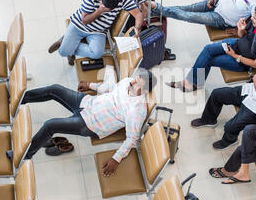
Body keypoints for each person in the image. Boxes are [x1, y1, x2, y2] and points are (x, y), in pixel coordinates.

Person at [13, 69, 157, 177]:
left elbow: (132, 138)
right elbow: (109, 89)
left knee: (50, 125)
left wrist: (116, 158)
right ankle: (17, 100)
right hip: (87, 102)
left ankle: (23, 155)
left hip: (90, 123)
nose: (133, 81)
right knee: (54, 89)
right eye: (136, 77)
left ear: (143, 90)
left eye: (138, 81)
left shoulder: (137, 110)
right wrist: (90, 85)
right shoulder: (127, 82)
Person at [167, 5, 256, 92]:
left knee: (208, 60)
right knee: (207, 50)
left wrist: (235, 56)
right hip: (235, 44)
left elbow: (255, 64)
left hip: (240, 61)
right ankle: (192, 83)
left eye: (254, 18)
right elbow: (242, 36)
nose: (252, 19)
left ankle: (193, 83)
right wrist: (241, 29)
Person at [48, 0, 143, 65]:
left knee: (97, 53)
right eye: (108, 9)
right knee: (63, 52)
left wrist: (137, 29)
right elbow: (84, 21)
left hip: (98, 31)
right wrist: (100, 11)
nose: (110, 12)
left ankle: (68, 45)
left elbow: (138, 14)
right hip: (79, 26)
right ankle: (65, 45)